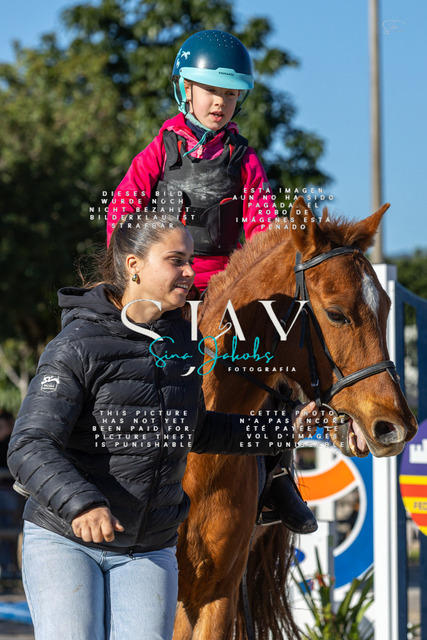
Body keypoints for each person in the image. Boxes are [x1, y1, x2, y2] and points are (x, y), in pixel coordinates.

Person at [8, 216, 318, 640]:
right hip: (67, 540)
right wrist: (82, 504)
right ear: (134, 265)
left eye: (190, 259)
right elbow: (29, 445)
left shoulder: (184, 345)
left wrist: (281, 432)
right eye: (176, 260)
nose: (190, 271)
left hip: (148, 550)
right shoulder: (77, 344)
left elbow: (197, 431)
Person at [107, 29, 316, 533]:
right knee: (104, 346)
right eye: (210, 91)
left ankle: (276, 474)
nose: (220, 102)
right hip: (163, 286)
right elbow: (122, 215)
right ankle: (84, 448)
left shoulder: (245, 160)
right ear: (185, 89)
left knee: (273, 359)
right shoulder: (158, 151)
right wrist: (139, 274)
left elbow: (263, 229)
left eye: (230, 93)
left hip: (223, 290)